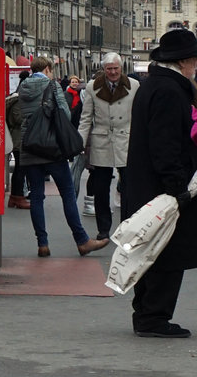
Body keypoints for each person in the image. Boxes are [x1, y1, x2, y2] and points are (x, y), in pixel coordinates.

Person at [123, 29, 197, 337]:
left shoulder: (153, 85)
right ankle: (154, 317)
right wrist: (177, 185)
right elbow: (165, 143)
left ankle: (145, 313)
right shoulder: (170, 91)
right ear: (183, 62)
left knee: (150, 251)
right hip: (162, 190)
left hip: (145, 186)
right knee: (168, 253)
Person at [17, 57, 108, 258]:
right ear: (48, 69)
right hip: (51, 148)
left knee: (37, 196)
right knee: (67, 192)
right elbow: (64, 114)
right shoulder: (52, 85)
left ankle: (42, 244)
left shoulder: (22, 87)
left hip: (30, 147)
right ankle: (82, 240)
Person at [77, 52, 138, 241]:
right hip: (101, 141)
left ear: (121, 68)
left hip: (125, 140)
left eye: (116, 68)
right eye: (109, 69)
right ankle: (103, 229)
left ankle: (126, 227)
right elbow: (86, 118)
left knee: (129, 188)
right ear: (103, 70)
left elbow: (139, 116)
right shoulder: (92, 87)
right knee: (101, 188)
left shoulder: (134, 86)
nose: (113, 72)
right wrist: (79, 142)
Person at [5, 70, 31, 209]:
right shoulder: (18, 99)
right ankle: (17, 196)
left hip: (19, 137)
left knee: (21, 168)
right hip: (18, 138)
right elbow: (18, 118)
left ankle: (16, 197)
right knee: (21, 168)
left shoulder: (18, 97)